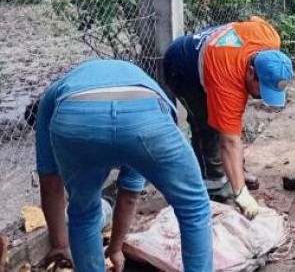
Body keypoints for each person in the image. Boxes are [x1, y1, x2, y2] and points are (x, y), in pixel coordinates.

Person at [34, 59, 213, 272]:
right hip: (144, 116)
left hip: (76, 117)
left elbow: (50, 183)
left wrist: (61, 246)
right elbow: (129, 196)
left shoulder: (53, 93)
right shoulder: (144, 82)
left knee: (83, 213)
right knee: (193, 206)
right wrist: (116, 248)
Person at [163, 16, 293, 219]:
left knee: (227, 122)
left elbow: (253, 20)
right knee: (208, 128)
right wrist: (241, 195)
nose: (261, 97)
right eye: (262, 90)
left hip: (215, 59)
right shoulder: (227, 82)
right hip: (181, 68)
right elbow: (229, 142)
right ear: (250, 72)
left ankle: (235, 173)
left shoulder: (269, 37)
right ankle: (215, 189)